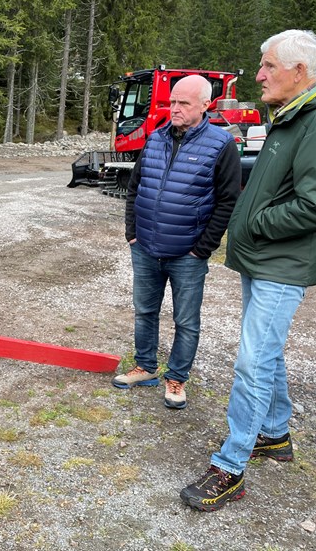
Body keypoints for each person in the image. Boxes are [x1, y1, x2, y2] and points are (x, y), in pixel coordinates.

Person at [181, 30, 316, 510]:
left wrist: (255, 223)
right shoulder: (293, 114)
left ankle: (231, 467)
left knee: (252, 362)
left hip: (283, 261)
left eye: (269, 66)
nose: (259, 74)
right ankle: (274, 435)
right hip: (264, 257)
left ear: (299, 72)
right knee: (267, 354)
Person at [112, 74, 241, 410]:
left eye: (183, 103)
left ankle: (177, 378)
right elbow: (134, 188)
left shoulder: (220, 145)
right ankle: (146, 367)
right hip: (145, 248)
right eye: (172, 102)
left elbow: (227, 201)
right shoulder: (155, 139)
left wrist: (203, 248)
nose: (175, 108)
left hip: (187, 253)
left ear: (205, 105)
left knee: (186, 320)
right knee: (145, 311)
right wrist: (132, 232)